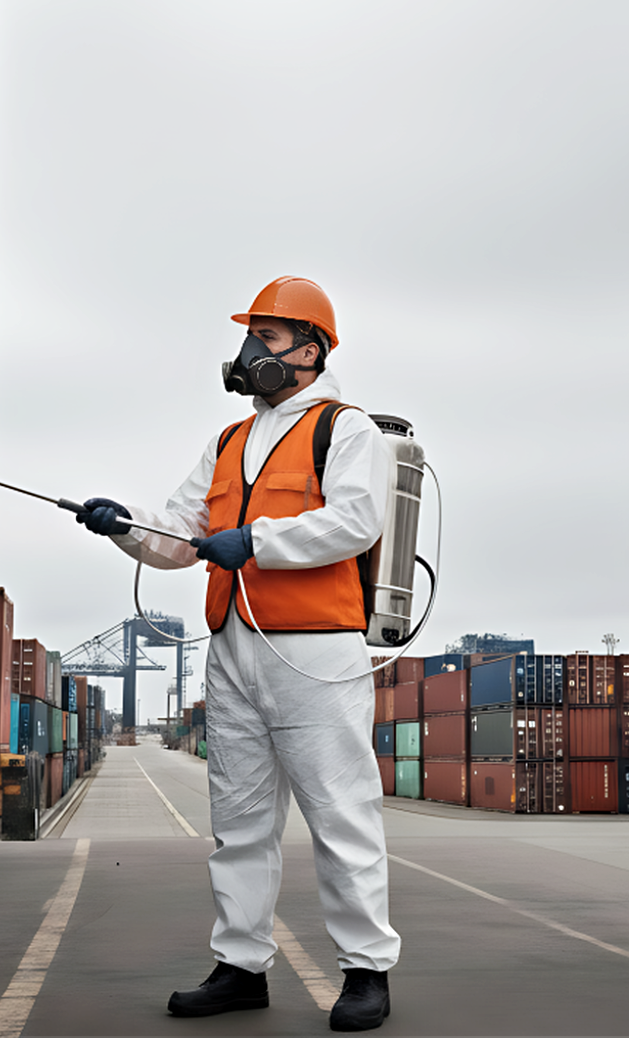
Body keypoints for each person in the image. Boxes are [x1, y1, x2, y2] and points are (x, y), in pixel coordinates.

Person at [76, 276, 400, 1031]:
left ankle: (365, 971)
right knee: (240, 820)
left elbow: (353, 522)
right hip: (235, 650)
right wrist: (122, 525)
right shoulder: (228, 442)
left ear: (312, 350)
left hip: (315, 652)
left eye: (271, 336)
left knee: (339, 813)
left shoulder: (347, 430)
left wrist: (255, 541)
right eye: (251, 335)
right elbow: (181, 534)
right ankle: (240, 965)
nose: (253, 350)